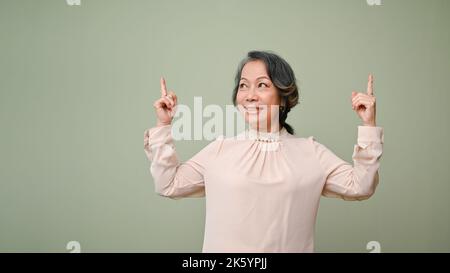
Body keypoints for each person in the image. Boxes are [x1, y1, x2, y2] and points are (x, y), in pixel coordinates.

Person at [144, 50, 384, 252]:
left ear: (283, 96)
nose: (250, 96)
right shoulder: (219, 150)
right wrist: (163, 125)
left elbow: (362, 186)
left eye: (262, 85)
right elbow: (168, 184)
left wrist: (368, 125)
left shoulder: (311, 153)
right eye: (243, 86)